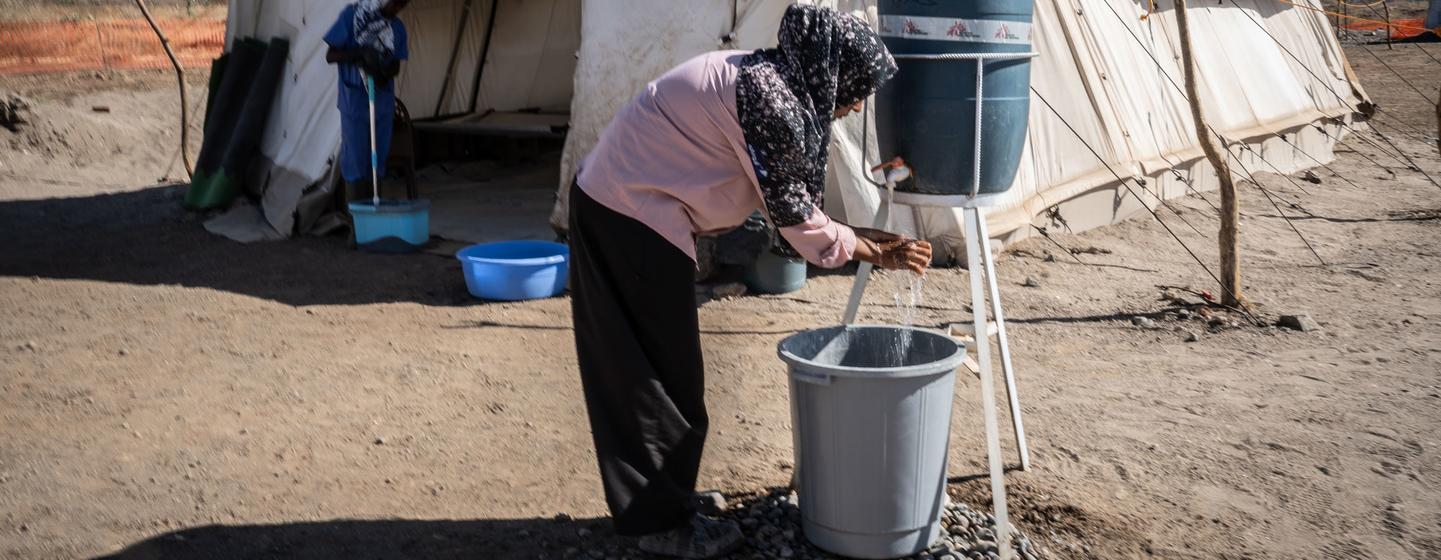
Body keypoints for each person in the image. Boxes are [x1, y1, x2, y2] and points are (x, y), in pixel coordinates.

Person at [567, 6, 931, 558]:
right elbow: (798, 225)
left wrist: (864, 236)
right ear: (831, 71)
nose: (856, 104)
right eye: (856, 90)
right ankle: (658, 523)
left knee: (664, 372)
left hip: (628, 210)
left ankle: (670, 501)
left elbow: (791, 207)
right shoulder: (773, 104)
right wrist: (870, 250)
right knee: (655, 379)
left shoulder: (768, 81)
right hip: (627, 217)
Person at [323, 0, 410, 207]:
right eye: (394, 4)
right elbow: (330, 55)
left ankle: (374, 211)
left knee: (378, 159)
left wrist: (383, 72)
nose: (396, 10)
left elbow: (396, 65)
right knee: (354, 159)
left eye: (401, 7)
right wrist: (358, 54)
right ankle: (356, 224)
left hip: (381, 102)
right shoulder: (352, 18)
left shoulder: (396, 28)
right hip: (354, 102)